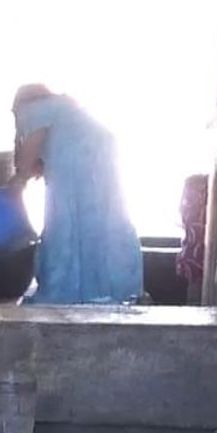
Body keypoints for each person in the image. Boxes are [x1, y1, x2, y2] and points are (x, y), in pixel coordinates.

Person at [10, 84, 143, 305]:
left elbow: (28, 154)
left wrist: (17, 181)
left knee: (68, 224)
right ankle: (111, 290)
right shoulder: (64, 109)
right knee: (102, 224)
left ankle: (69, 290)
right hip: (99, 164)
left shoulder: (35, 108)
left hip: (78, 166)